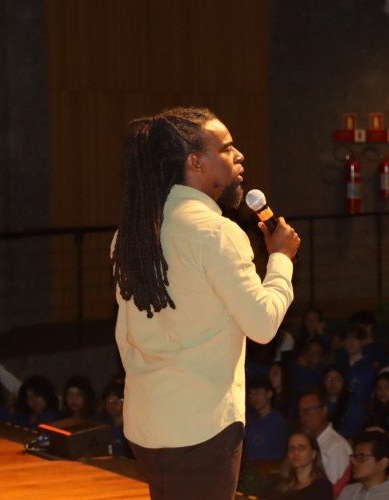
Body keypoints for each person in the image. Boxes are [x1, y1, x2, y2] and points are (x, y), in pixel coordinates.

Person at [110, 108, 300, 499]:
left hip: (146, 425)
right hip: (200, 430)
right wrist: (280, 259)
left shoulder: (132, 233)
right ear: (195, 162)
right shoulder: (216, 232)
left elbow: (124, 335)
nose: (239, 156)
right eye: (227, 149)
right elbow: (263, 324)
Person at [297, 388, 352, 489]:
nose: (305, 416)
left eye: (309, 411)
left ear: (324, 410)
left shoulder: (335, 446)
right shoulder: (307, 442)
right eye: (301, 411)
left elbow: (334, 491)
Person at [339, 432, 389, 500]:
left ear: (383, 463)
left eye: (362, 458)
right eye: (355, 457)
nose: (355, 463)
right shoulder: (348, 491)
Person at [271, 429, 333, 500]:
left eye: (301, 448)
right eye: (292, 448)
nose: (295, 452)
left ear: (314, 453)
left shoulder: (322, 487)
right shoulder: (278, 484)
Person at [244, 377, 287, 462]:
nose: (253, 397)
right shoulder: (249, 421)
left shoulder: (278, 421)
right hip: (251, 471)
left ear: (269, 394)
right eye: (251, 394)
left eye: (258, 393)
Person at [95, 383, 130, 458]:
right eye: (109, 401)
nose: (113, 405)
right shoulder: (99, 425)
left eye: (119, 401)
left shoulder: (132, 429)